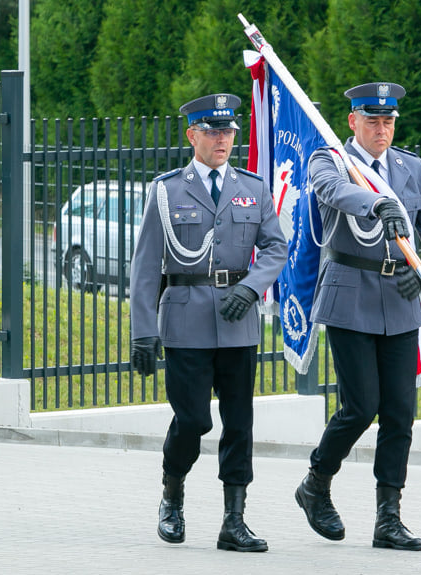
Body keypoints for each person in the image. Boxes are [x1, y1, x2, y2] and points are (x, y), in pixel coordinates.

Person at [294, 82, 421, 551]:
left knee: (400, 414)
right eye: (372, 120)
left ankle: (389, 516)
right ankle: (316, 483)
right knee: (361, 406)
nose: (381, 128)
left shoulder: (412, 167)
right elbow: (333, 192)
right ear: (352, 122)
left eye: (388, 121)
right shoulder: (331, 160)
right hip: (350, 295)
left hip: (401, 299)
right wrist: (377, 202)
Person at [129, 93, 287, 552]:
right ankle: (172, 494)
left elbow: (276, 247)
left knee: (239, 423)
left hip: (238, 323)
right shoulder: (167, 191)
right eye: (214, 131)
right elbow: (145, 267)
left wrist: (252, 286)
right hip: (186, 321)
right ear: (192, 135)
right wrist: (143, 331)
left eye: (230, 131)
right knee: (194, 420)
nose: (224, 139)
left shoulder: (253, 188)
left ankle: (233, 521)